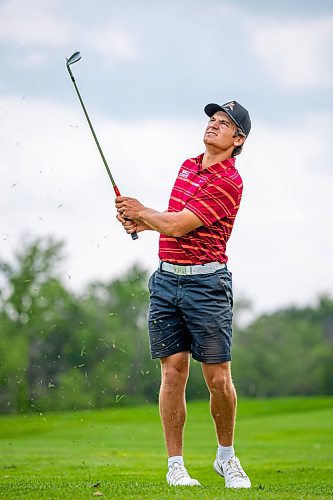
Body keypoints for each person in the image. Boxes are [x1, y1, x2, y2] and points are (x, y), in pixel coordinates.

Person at [115, 100, 251, 489]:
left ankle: (226, 457)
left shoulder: (229, 181)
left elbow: (177, 226)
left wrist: (142, 212)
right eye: (212, 119)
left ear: (237, 139)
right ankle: (176, 465)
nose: (213, 125)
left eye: (224, 123)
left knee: (217, 378)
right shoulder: (187, 166)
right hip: (165, 283)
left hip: (206, 286)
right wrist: (136, 220)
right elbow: (166, 224)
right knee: (172, 372)